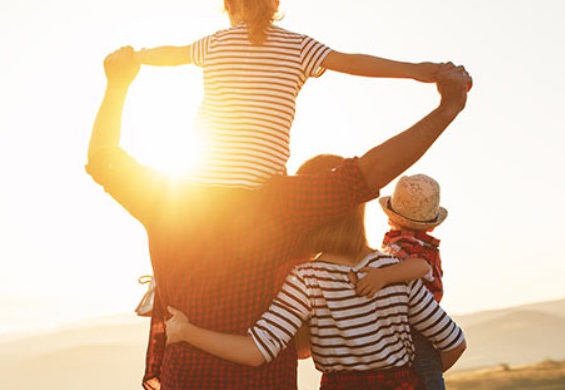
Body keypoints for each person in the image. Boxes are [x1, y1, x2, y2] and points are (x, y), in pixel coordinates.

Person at [86, 46, 471, 389]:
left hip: (185, 378)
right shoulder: (287, 204)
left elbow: (103, 158)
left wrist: (117, 84)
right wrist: (446, 109)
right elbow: (370, 171)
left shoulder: (167, 201)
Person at [163, 154, 467, 390]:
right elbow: (454, 343)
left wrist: (185, 331)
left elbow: (258, 351)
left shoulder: (306, 279)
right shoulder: (398, 272)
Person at [134, 0, 445, 188]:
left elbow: (172, 54)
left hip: (202, 179)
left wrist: (136, 56)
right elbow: (351, 62)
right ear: (276, 5)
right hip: (264, 183)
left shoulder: (214, 43)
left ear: (229, 6)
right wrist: (416, 70)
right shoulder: (299, 46)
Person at [354, 173, 450, 389]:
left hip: (416, 322)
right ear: (432, 225)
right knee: (426, 369)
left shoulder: (408, 244)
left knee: (426, 371)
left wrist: (383, 276)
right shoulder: (414, 242)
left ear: (390, 216)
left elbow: (421, 266)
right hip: (416, 320)